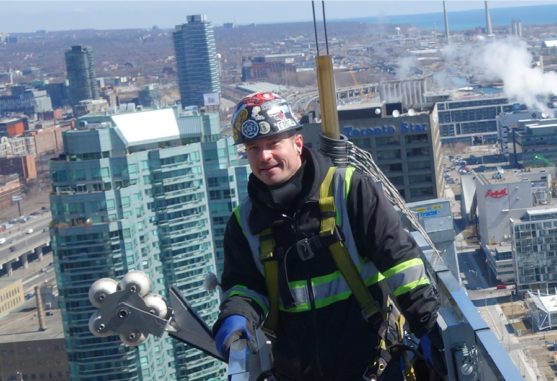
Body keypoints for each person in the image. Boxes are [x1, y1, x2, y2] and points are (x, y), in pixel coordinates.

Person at [213, 92, 440, 380]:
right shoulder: (244, 223)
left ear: (297, 144)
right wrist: (236, 316)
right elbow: (244, 287)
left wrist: (429, 326)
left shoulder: (349, 190)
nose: (264, 156)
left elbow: (400, 262)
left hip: (374, 366)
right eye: (253, 148)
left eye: (273, 143)